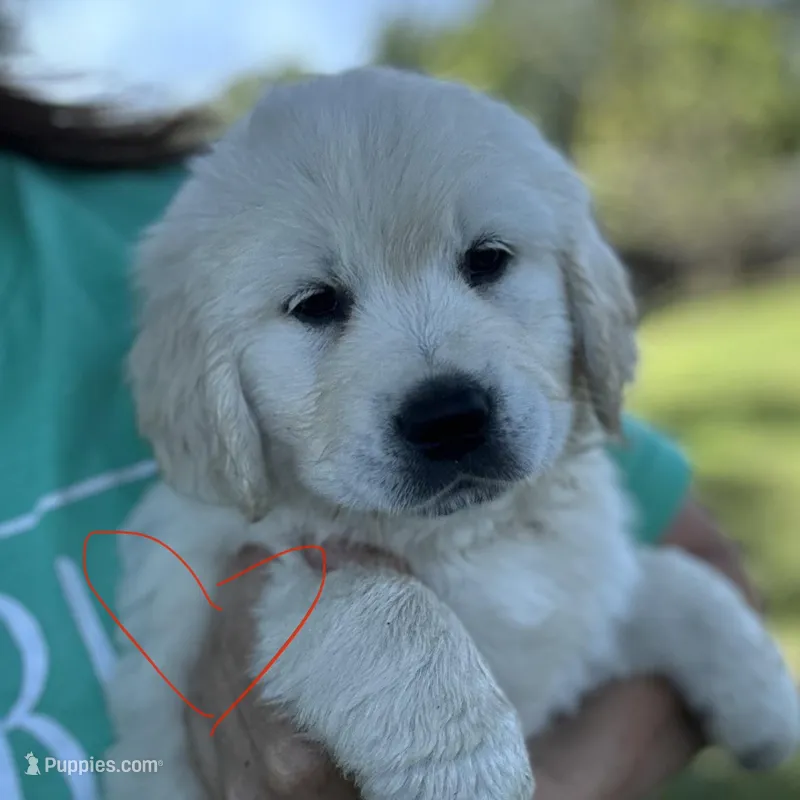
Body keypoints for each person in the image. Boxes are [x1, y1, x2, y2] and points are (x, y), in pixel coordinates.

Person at [0, 20, 760, 800]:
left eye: (487, 262)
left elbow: (694, 567)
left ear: (583, 289)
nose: (440, 389)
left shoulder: (151, 199)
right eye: (317, 304)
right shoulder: (207, 252)